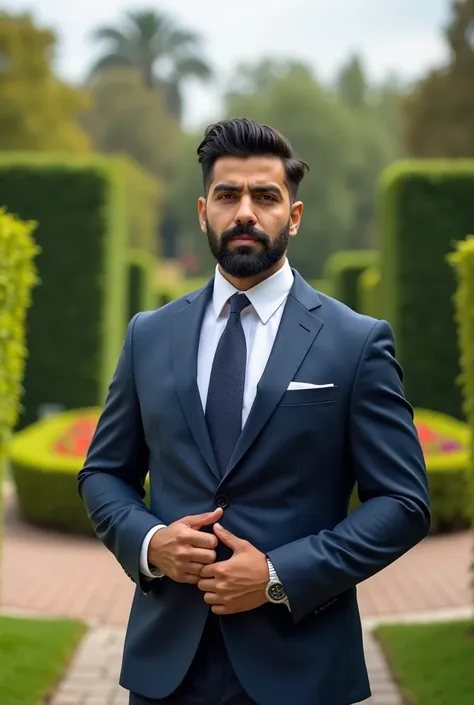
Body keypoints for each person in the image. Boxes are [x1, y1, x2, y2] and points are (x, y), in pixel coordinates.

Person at [78, 117, 430, 705]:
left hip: (303, 665)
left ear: (292, 216)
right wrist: (148, 541)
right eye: (227, 195)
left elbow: (403, 502)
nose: (245, 211)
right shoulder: (150, 335)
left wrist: (277, 577)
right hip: (166, 670)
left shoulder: (356, 341)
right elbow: (103, 473)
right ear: (202, 211)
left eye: (264, 196)